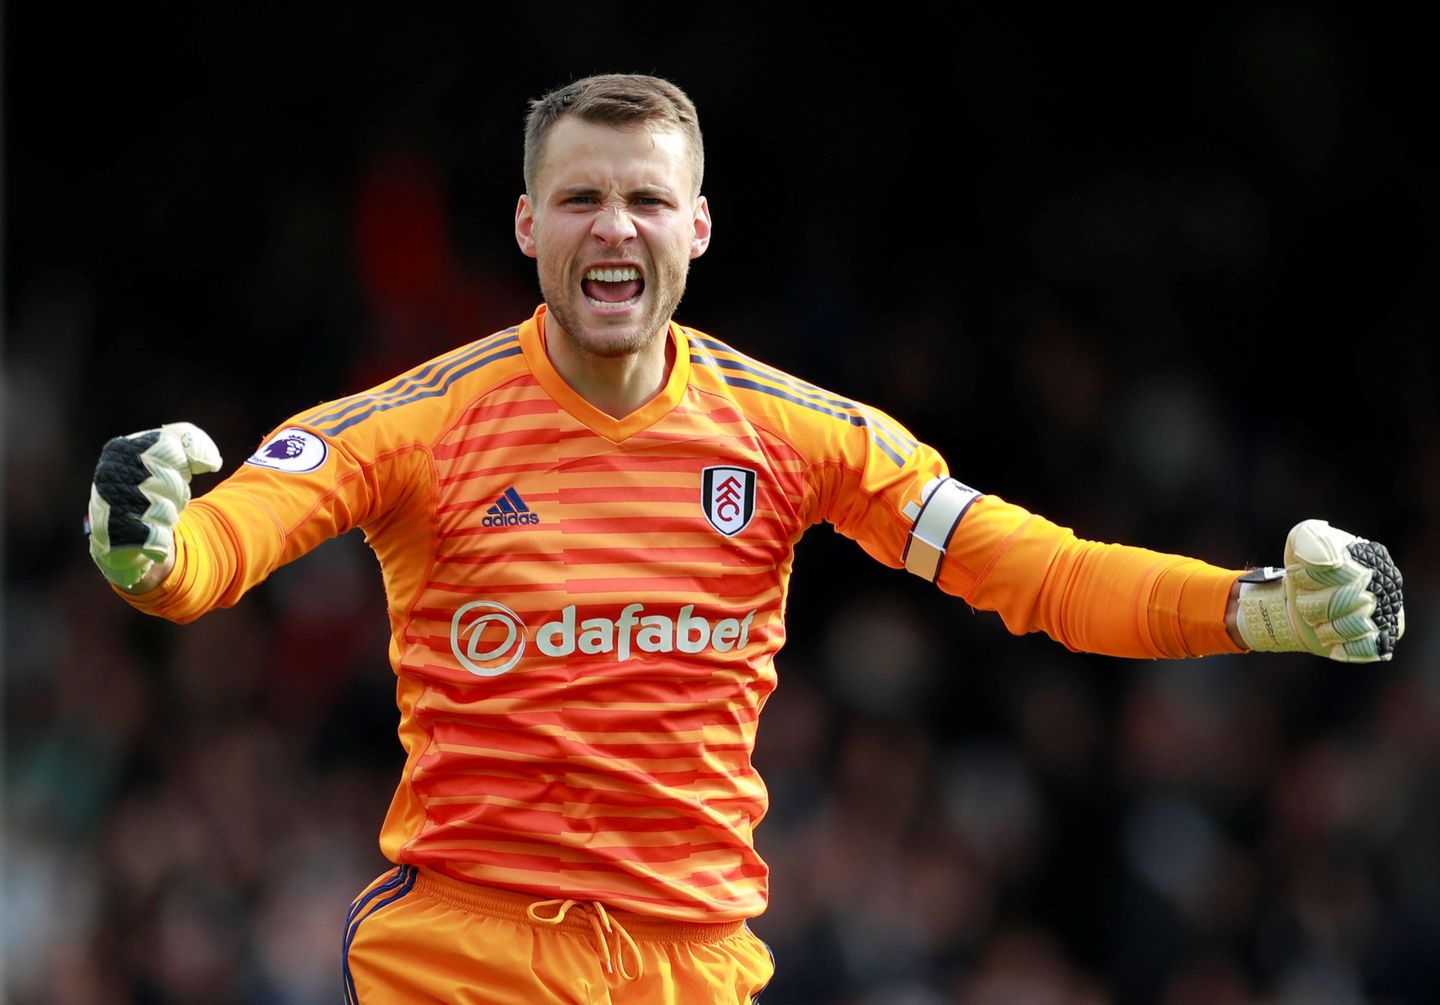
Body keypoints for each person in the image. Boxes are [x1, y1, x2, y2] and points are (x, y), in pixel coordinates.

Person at [85, 73, 1406, 1004]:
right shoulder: (415, 423)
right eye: (580, 198)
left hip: (695, 966)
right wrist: (153, 552)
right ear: (528, 227)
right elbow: (224, 545)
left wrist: (1254, 606)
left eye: (646, 200)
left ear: (698, 227)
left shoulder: (799, 434)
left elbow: (1045, 575)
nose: (615, 226)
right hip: (466, 960)